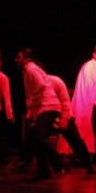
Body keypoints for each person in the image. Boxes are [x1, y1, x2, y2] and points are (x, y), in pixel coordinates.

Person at [14, 48, 65, 181]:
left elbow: (40, 86)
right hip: (45, 106)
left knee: (39, 137)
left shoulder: (30, 69)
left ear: (27, 59)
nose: (16, 59)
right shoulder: (30, 70)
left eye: (19, 57)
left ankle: (58, 164)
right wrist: (31, 112)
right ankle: (44, 172)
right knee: (37, 140)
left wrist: (31, 105)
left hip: (48, 106)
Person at [62, 44, 96, 164]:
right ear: (94, 55)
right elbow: (86, 88)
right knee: (88, 129)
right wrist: (88, 104)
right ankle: (84, 156)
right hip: (90, 104)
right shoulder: (88, 67)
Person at [49, 73, 96, 175]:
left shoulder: (55, 81)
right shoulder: (33, 83)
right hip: (47, 116)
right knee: (38, 139)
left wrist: (65, 119)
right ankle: (41, 167)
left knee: (76, 142)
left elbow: (65, 101)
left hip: (63, 116)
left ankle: (89, 165)